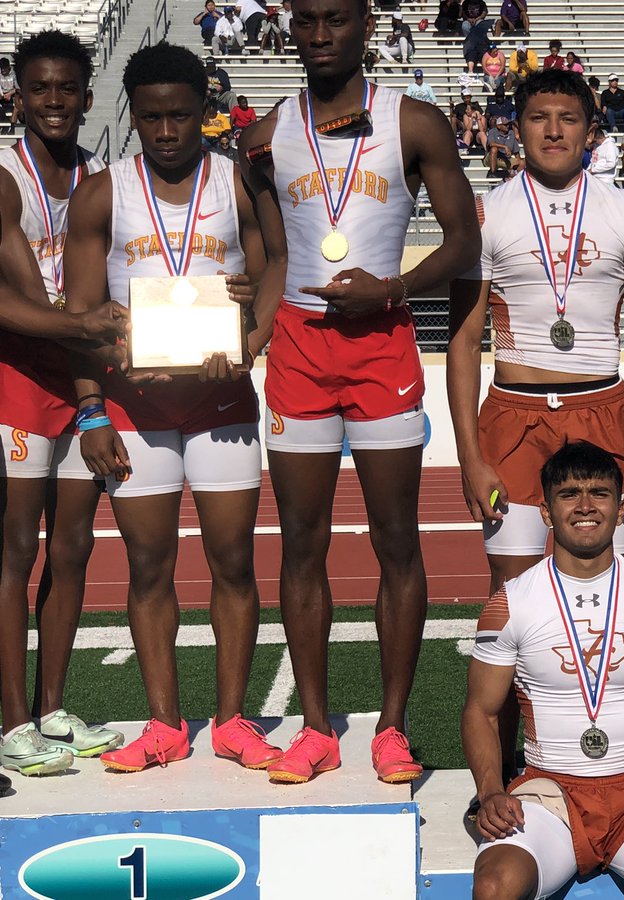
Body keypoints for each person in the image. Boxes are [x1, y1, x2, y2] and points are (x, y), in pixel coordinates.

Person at [240, 0, 480, 784]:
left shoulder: (413, 122)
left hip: (383, 343)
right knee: (301, 542)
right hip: (301, 348)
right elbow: (273, 254)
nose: (318, 34)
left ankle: (392, 727)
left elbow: (463, 239)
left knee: (394, 539)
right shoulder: (265, 136)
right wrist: (248, 323)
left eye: (335, 19)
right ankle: (314, 728)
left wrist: (394, 290)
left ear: (365, 25)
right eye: (304, 20)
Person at [448, 70, 624, 797]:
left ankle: (611, 766)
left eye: (567, 118)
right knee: (512, 598)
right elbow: (464, 338)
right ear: (514, 127)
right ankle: (510, 773)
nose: (552, 130)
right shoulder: (485, 214)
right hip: (511, 416)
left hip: (604, 412)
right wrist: (469, 452)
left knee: (609, 593)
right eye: (537, 117)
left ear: (590, 130)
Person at [62, 41, 278, 774]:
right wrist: (90, 410)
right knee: (149, 565)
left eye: (180, 116)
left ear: (205, 114)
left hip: (221, 400)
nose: (164, 131)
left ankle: (232, 720)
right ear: (133, 115)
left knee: (232, 563)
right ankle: (163, 724)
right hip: (133, 408)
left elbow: (271, 265)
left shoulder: (237, 181)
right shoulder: (103, 192)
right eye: (150, 116)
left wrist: (249, 339)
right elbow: (81, 308)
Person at [464, 442, 624, 900]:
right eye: (569, 494)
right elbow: (481, 712)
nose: (585, 506)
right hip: (549, 794)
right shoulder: (510, 602)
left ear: (620, 504)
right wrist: (490, 791)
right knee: (494, 884)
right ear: (546, 512)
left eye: (599, 493)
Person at [0, 30, 129, 778]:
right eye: (39, 88)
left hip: (81, 379)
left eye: (66, 89)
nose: (53, 101)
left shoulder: (99, 180)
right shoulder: (5, 177)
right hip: (18, 377)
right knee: (15, 549)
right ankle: (13, 720)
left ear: (87, 97)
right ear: (20, 95)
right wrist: (81, 329)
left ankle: (52, 707)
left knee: (73, 548)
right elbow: (12, 303)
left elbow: (113, 290)